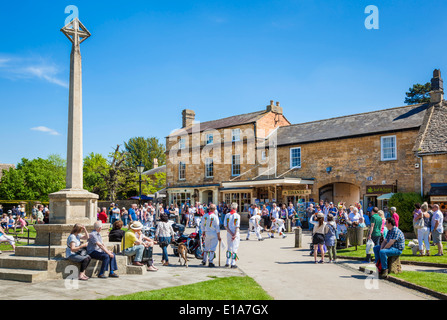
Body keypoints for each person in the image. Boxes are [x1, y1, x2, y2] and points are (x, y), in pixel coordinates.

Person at [224, 203, 241, 268]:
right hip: (235, 233)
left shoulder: (227, 215)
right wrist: (234, 234)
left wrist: (231, 233)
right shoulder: (237, 215)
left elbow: (225, 225)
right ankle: (233, 263)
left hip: (229, 233)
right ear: (236, 208)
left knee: (229, 247)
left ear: (231, 208)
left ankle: (227, 262)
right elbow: (237, 226)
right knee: (235, 248)